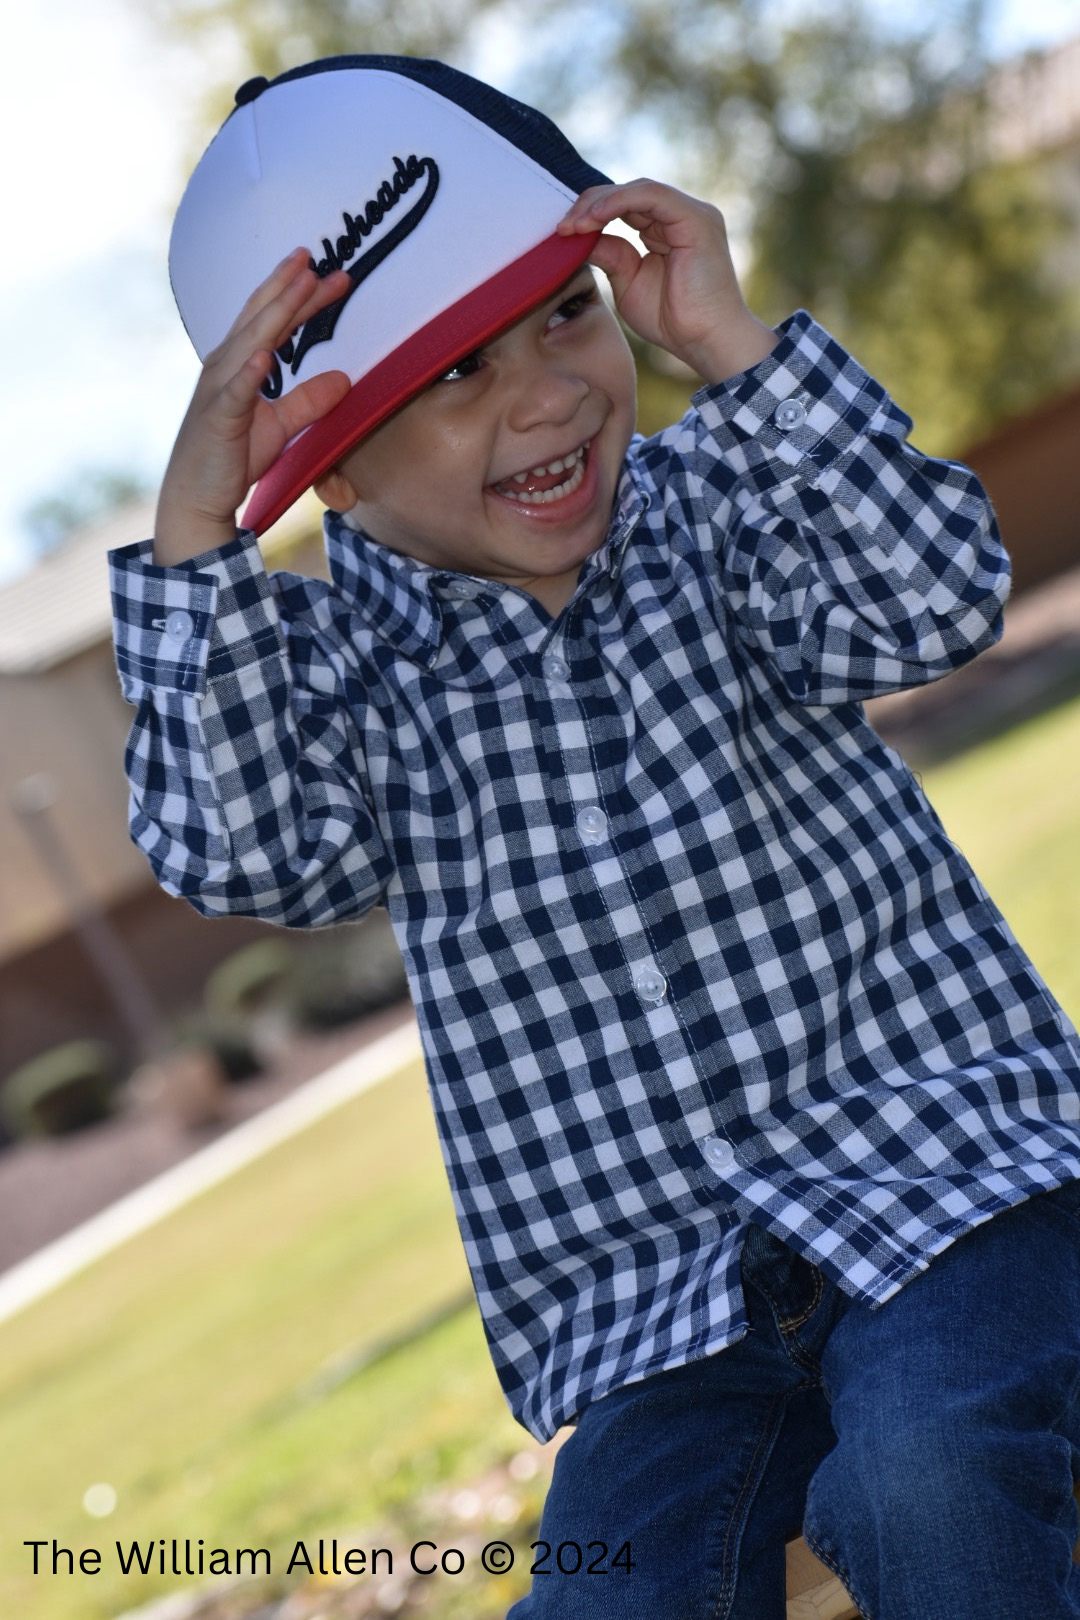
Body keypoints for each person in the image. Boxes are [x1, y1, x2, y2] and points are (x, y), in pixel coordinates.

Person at [110, 55, 1080, 1619]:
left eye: (563, 312)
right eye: (450, 377)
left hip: (945, 1178)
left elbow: (936, 597)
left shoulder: (721, 504)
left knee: (929, 1480)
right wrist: (190, 554)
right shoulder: (337, 679)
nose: (548, 394)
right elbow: (240, 850)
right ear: (329, 466)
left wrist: (735, 347)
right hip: (659, 1317)